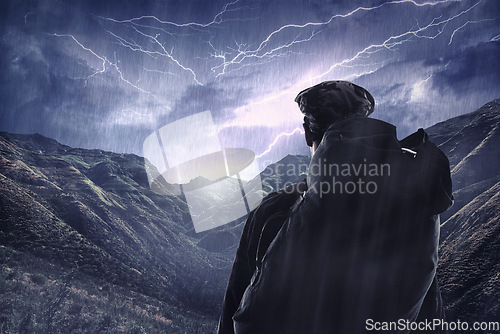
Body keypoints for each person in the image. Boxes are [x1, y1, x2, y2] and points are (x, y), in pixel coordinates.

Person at [218, 81, 453, 334]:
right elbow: (429, 315)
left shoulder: (271, 212)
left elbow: (235, 310)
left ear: (307, 132)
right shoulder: (413, 201)